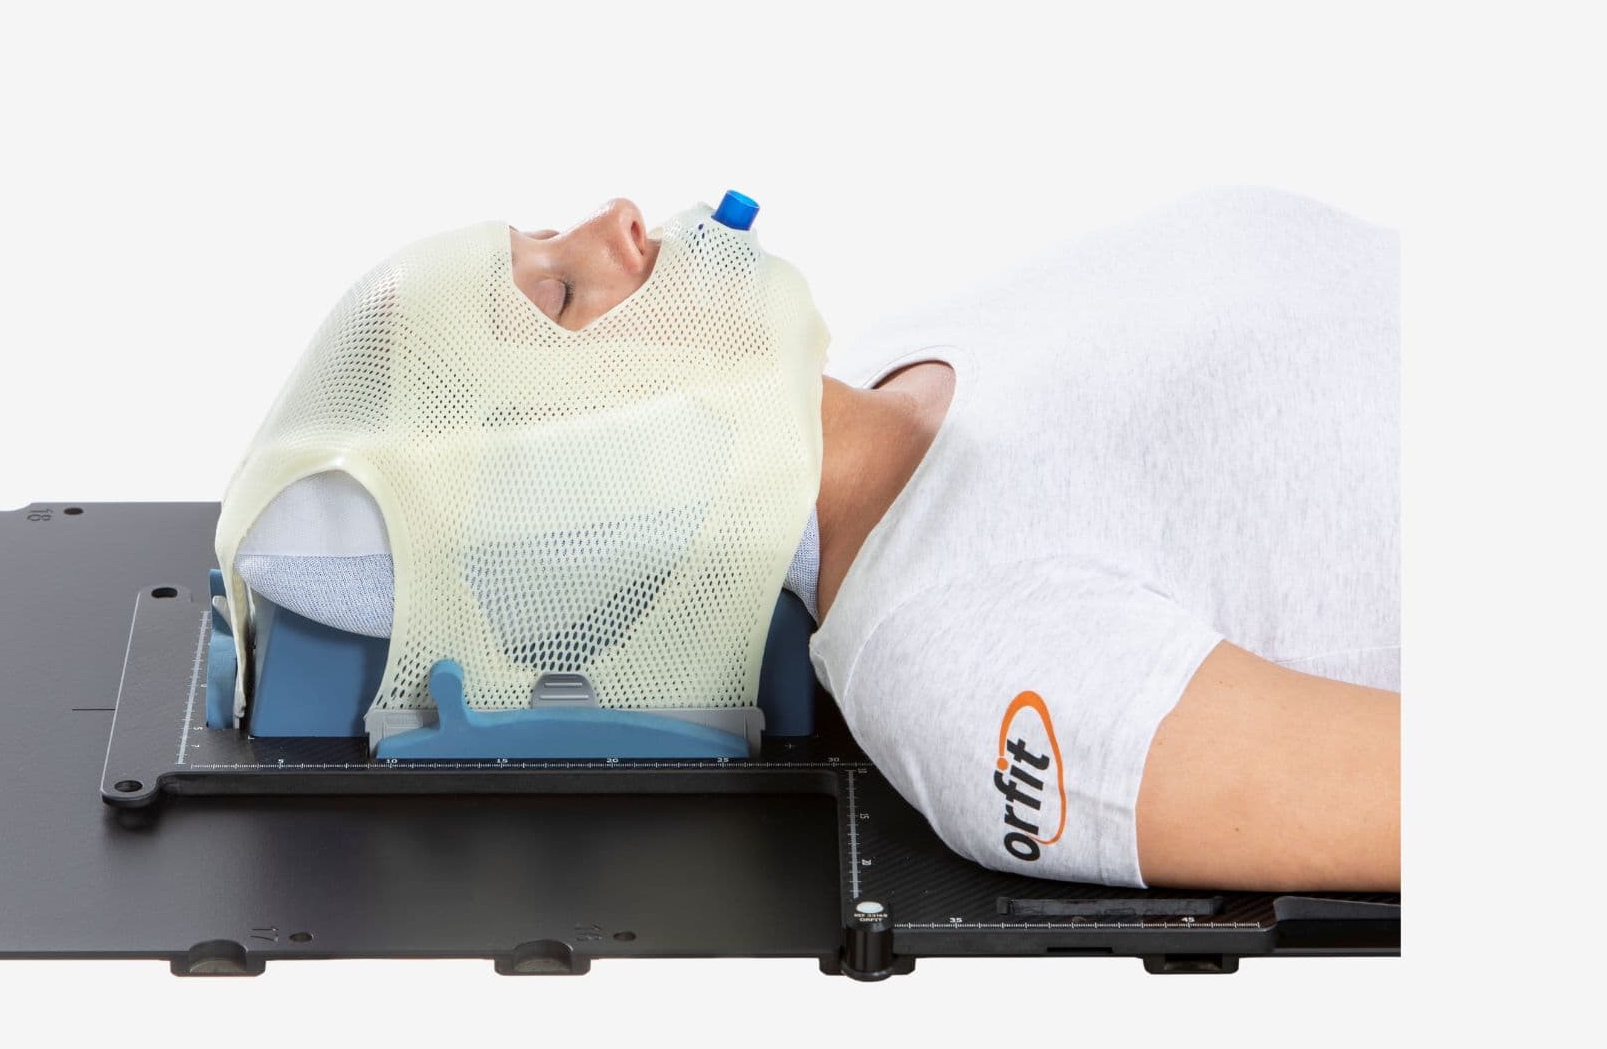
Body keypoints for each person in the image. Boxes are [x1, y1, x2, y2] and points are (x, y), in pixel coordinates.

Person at [503, 189, 1399, 892]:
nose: (617, 218)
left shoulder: (906, 349)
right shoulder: (968, 660)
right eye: (561, 292)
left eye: (546, 235)